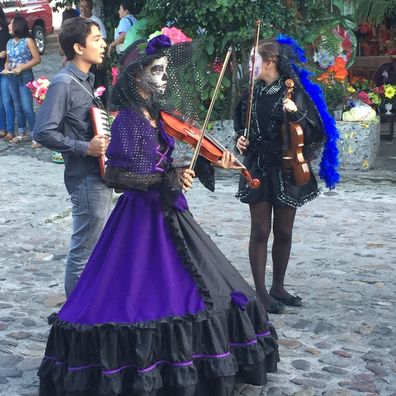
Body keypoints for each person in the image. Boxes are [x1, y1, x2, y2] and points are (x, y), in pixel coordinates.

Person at [37, 29, 279, 396]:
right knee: (143, 292)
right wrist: (172, 176)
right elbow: (123, 175)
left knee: (202, 284)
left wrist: (209, 162)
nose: (164, 79)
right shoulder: (132, 120)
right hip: (143, 216)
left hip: (168, 209)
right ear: (137, 76)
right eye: (158, 71)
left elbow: (171, 156)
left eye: (166, 72)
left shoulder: (156, 114)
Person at [235, 36, 339, 314]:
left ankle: (277, 287)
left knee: (284, 231)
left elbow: (316, 131)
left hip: (286, 167)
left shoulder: (294, 92)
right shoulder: (250, 94)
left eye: (253, 59)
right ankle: (259, 292)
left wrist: (294, 116)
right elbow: (240, 129)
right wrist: (240, 141)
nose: (249, 64)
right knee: (260, 230)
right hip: (258, 166)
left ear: (269, 61)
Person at [33, 18, 113, 297]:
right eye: (96, 39)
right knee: (83, 253)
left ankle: (86, 315)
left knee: (92, 251)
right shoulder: (64, 83)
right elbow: (42, 131)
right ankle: (75, 326)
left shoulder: (87, 80)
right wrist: (84, 147)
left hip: (98, 176)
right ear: (79, 47)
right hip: (85, 179)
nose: (103, 44)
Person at [5, 15, 40, 146]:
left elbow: (37, 59)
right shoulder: (9, 42)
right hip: (12, 77)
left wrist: (22, 67)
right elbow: (8, 61)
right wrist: (6, 68)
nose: (9, 26)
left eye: (11, 24)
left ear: (18, 26)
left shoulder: (28, 41)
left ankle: (36, 135)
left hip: (25, 77)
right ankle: (21, 133)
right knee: (18, 106)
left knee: (27, 107)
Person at [0, 6, 13, 140]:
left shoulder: (6, 31)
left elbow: (13, 45)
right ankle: (1, 127)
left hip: (5, 69)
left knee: (6, 99)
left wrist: (6, 53)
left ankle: (10, 129)